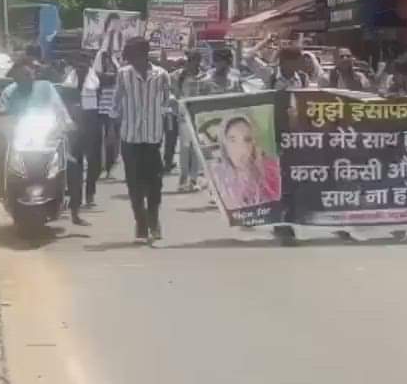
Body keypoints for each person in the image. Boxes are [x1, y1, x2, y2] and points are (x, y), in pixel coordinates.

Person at [113, 37, 171, 244]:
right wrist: (114, 128)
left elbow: (167, 104)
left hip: (153, 138)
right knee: (134, 184)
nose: (132, 61)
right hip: (130, 138)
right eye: (129, 57)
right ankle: (140, 222)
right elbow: (116, 104)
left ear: (144, 54)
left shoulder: (161, 75)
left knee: (155, 183)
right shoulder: (123, 75)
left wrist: (167, 126)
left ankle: (154, 220)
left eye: (135, 56)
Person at [0, 57, 71, 199]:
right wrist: (6, 124)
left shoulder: (46, 88)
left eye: (28, 75)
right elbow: (3, 115)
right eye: (20, 77)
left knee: (68, 151)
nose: (25, 79)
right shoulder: (9, 92)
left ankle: (64, 185)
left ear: (34, 74)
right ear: (15, 78)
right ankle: (2, 186)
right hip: (19, 135)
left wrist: (66, 122)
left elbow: (59, 109)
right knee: (1, 150)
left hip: (45, 134)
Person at [209, 115, 282, 209]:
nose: (241, 148)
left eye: (247, 140)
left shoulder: (271, 171)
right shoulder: (217, 175)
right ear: (224, 143)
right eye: (232, 140)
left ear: (254, 143)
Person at [62, 57, 100, 222]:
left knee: (93, 163)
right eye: (78, 65)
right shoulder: (68, 83)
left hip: (91, 124)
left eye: (84, 64)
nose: (81, 67)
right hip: (73, 127)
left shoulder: (95, 81)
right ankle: (73, 200)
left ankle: (90, 193)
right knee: (74, 166)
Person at [171, 50, 205, 192]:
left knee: (196, 148)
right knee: (185, 148)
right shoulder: (178, 75)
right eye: (190, 60)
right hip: (184, 116)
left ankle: (194, 179)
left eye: (195, 60)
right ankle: (183, 178)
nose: (193, 63)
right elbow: (173, 91)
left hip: (199, 115)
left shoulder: (203, 76)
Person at [244, 36, 316, 90]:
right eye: (298, 61)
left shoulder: (303, 77)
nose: (301, 64)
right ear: (286, 62)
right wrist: (266, 41)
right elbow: (248, 57)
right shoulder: (270, 73)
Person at [92, 49, 121, 181]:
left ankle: (109, 168)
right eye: (105, 59)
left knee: (113, 142)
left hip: (114, 111)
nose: (108, 62)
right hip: (100, 112)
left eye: (110, 59)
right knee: (100, 143)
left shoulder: (118, 73)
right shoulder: (95, 75)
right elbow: (100, 81)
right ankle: (101, 169)